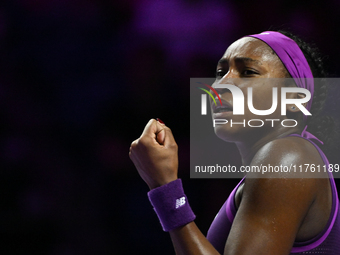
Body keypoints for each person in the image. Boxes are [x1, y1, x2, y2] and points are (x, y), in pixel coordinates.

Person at [129, 31, 340, 254]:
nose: (220, 86)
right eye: (220, 73)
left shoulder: (288, 156)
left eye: (248, 72)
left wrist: (165, 188)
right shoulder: (281, 160)